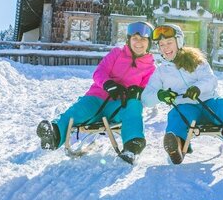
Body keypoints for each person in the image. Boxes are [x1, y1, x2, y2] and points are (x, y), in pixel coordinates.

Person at [141, 24, 223, 164]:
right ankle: (176, 146)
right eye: (161, 44)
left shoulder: (196, 61)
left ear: (178, 42)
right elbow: (146, 98)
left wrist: (198, 88)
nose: (165, 47)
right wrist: (160, 95)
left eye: (169, 43)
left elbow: (211, 80)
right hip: (186, 109)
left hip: (209, 105)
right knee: (176, 114)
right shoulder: (161, 71)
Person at [36, 21, 156, 165]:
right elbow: (99, 72)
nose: (138, 43)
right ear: (129, 39)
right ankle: (54, 135)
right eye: (135, 38)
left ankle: (133, 145)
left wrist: (136, 92)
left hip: (120, 106)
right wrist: (108, 84)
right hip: (97, 97)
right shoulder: (116, 54)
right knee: (79, 110)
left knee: (134, 106)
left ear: (149, 43)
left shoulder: (150, 68)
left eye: (143, 39)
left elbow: (146, 92)